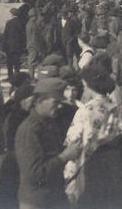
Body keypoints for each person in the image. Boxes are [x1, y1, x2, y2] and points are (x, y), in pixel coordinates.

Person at [62, 65, 122, 208]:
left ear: (89, 86)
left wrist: (69, 174)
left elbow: (73, 143)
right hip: (114, 165)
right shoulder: (119, 110)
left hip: (91, 164)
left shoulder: (85, 111)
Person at [15, 77, 81, 209]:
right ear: (40, 101)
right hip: (37, 201)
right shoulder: (30, 130)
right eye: (55, 102)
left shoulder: (49, 122)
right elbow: (34, 173)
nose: (60, 106)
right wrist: (64, 156)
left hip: (54, 196)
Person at [3, 6, 28, 77]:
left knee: (9, 62)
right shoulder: (21, 23)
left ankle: (10, 76)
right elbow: (23, 35)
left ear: (12, 15)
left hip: (9, 46)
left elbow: (5, 35)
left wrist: (4, 46)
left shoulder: (9, 23)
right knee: (17, 62)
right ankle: (17, 76)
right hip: (18, 46)